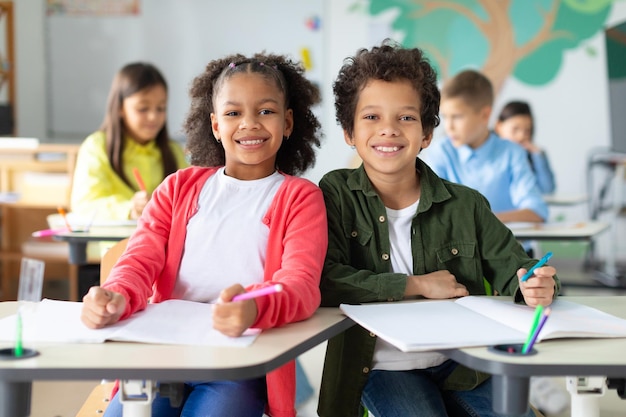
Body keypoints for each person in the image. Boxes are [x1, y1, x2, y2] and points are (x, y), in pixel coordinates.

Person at [317, 40, 559, 417]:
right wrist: (416, 285)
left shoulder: (466, 204)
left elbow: (516, 268)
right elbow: (326, 281)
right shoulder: (335, 193)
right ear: (349, 132)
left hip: (463, 363)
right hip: (384, 367)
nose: (389, 130)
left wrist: (535, 284)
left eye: (406, 117)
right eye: (371, 117)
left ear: (428, 134)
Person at [80, 52, 327, 417]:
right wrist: (116, 294)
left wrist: (256, 306)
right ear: (214, 125)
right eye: (233, 113)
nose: (249, 124)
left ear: (288, 122)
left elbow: (300, 284)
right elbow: (140, 258)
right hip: (162, 355)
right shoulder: (178, 187)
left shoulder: (300, 197)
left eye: (266, 111)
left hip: (236, 364)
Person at [420, 69, 548, 225]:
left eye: (457, 117)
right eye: (446, 117)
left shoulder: (512, 152)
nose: (449, 127)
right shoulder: (441, 151)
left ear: (485, 115)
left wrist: (486, 223)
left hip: (510, 247)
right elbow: (435, 211)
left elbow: (537, 211)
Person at [70, 62, 189, 222]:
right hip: (113, 245)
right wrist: (129, 209)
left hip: (163, 245)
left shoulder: (173, 151)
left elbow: (190, 200)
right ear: (120, 107)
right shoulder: (97, 147)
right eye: (143, 108)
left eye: (161, 108)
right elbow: (85, 206)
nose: (153, 117)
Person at [495, 100, 556, 195]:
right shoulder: (489, 153)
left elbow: (547, 189)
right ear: (499, 126)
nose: (521, 136)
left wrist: (538, 156)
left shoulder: (531, 156)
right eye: (515, 129)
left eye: (527, 131)